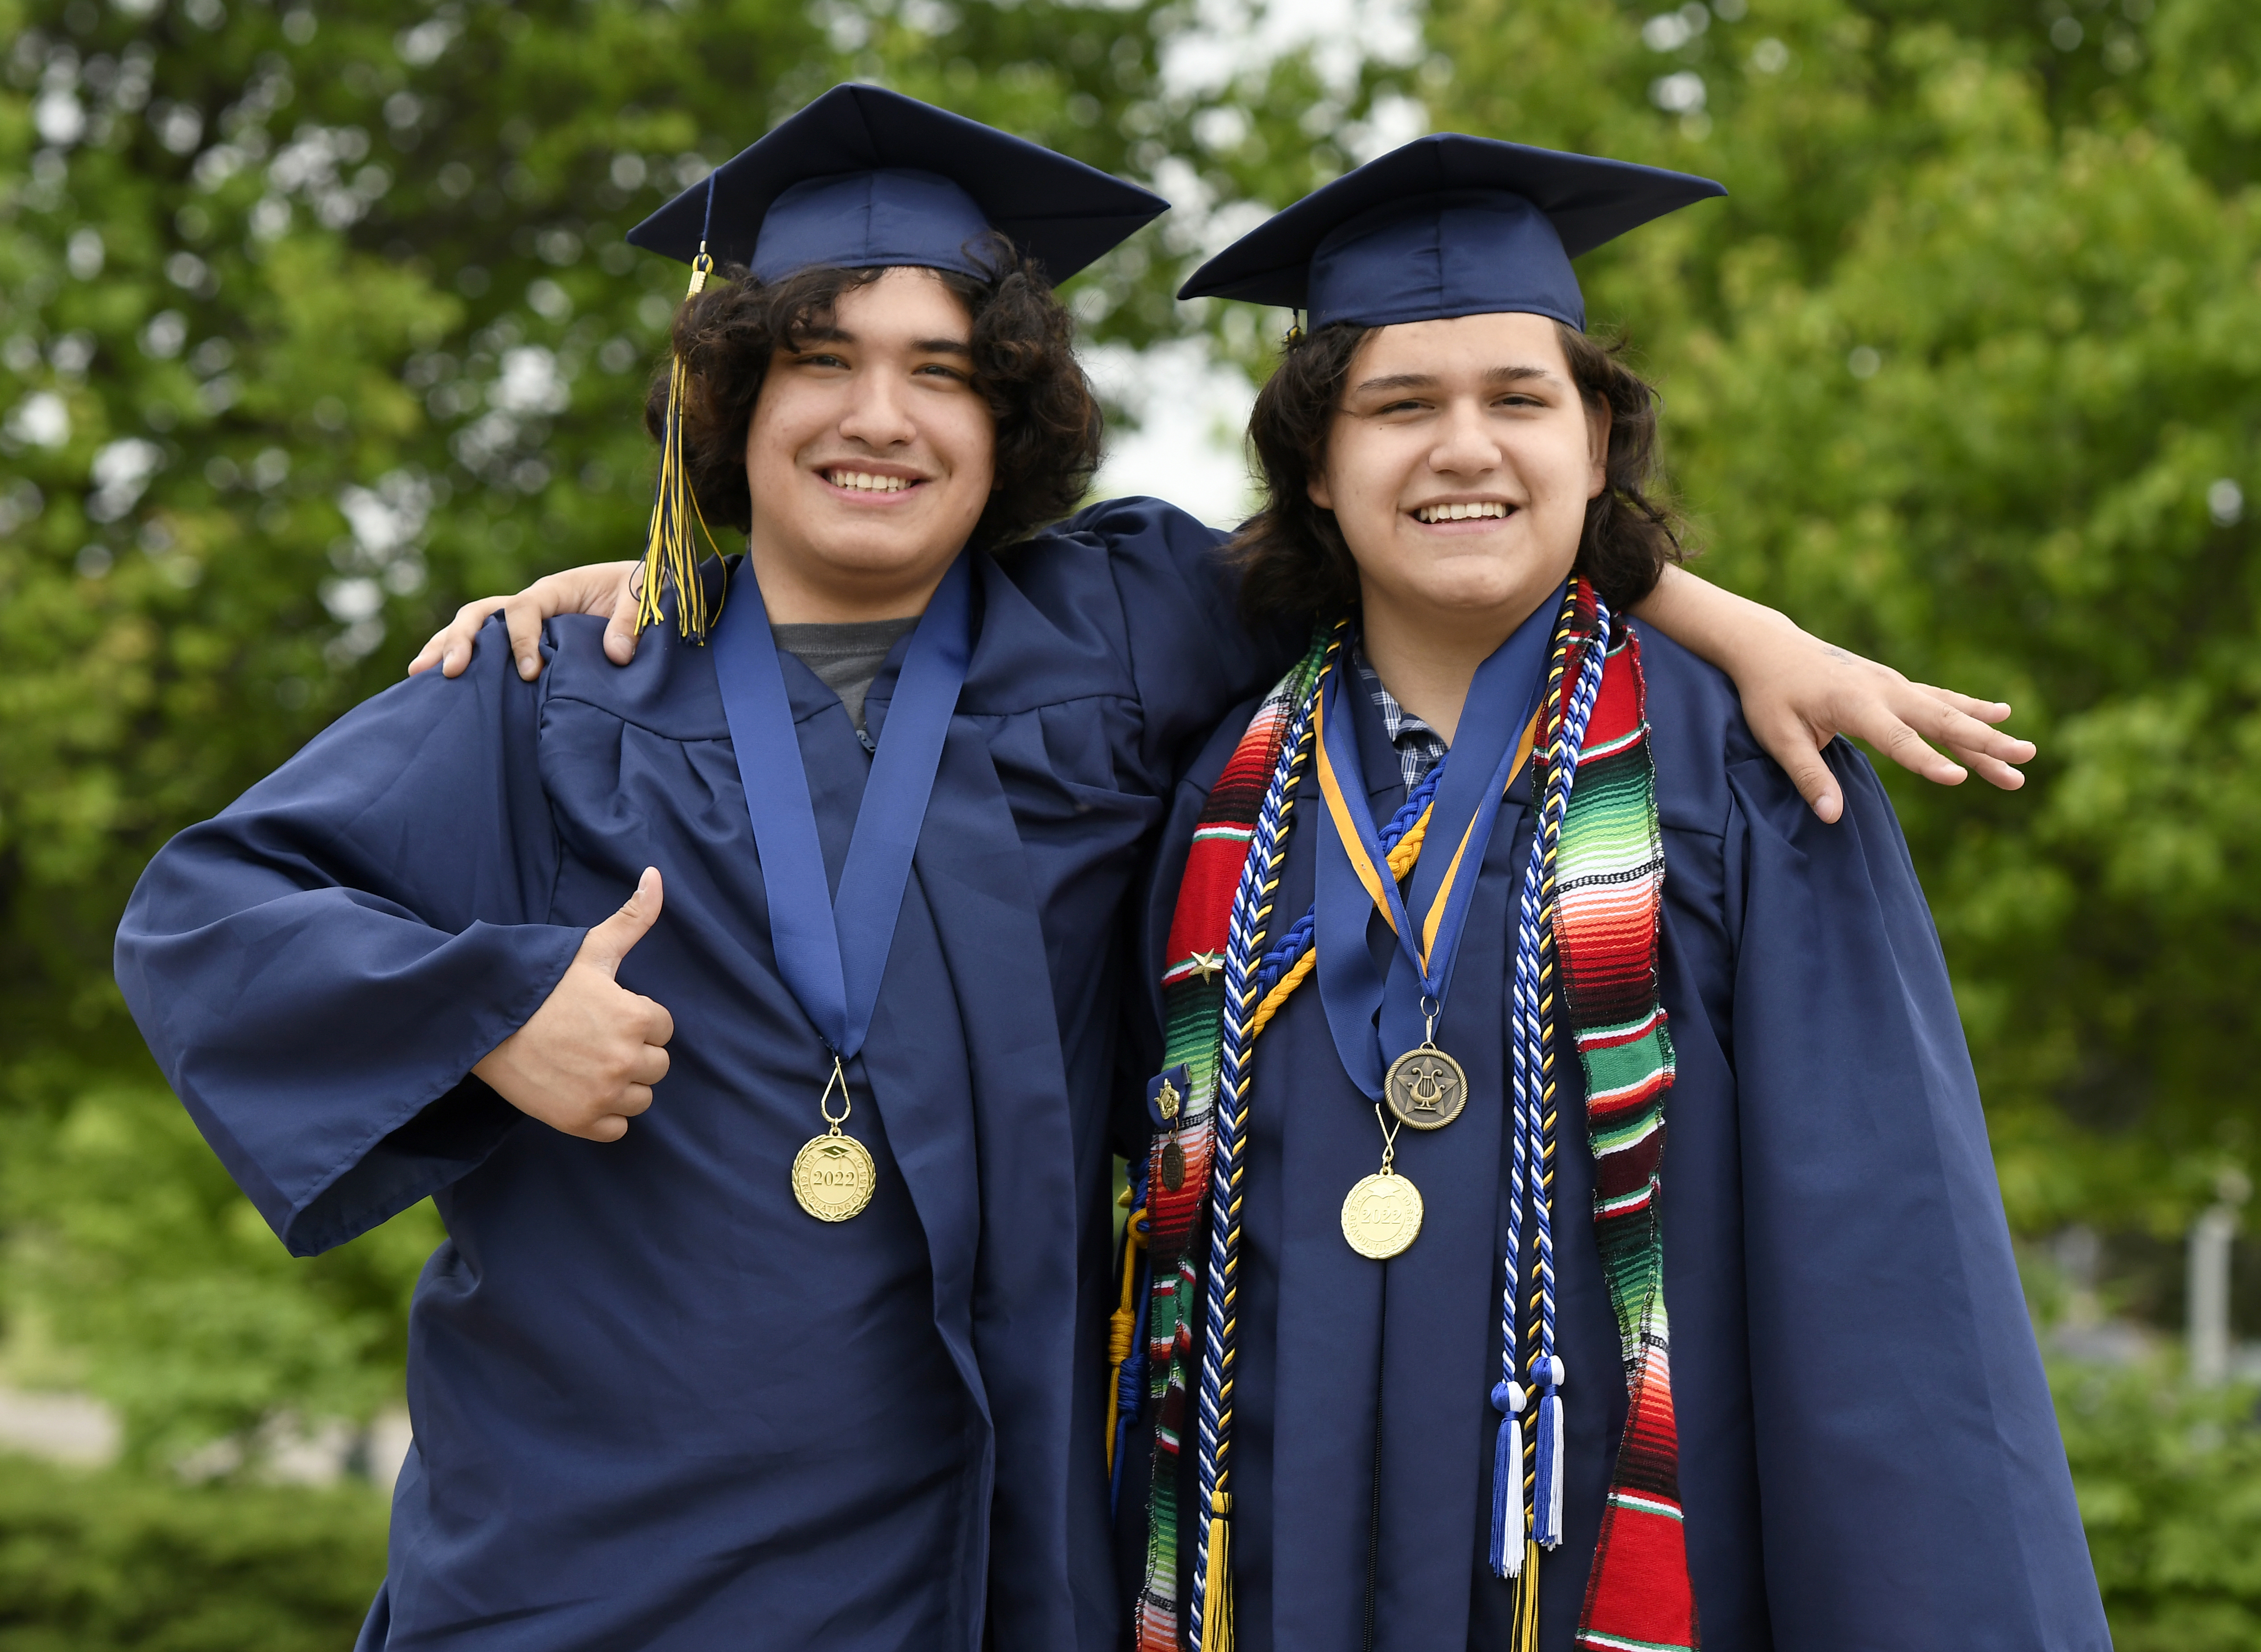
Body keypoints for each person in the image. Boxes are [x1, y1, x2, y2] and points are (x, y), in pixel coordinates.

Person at [121, 85, 2026, 1651]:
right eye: (818, 363)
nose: (882, 415)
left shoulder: (1107, 640)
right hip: (592, 1569)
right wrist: (485, 1015)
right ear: (728, 402)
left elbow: (1423, 529)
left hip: (983, 1567)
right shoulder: (554, 693)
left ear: (1009, 415)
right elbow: (205, 912)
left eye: (944, 372)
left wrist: (1731, 619)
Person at [1115, 136, 2106, 1652]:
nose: (1464, 449)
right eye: (1399, 405)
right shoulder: (1220, 799)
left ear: (1596, 445)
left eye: (1520, 399)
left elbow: (1890, 1285)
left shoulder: (1748, 776)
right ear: (1319, 465)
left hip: (1626, 1591)